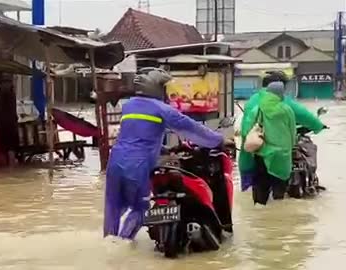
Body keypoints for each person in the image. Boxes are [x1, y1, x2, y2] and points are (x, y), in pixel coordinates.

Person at [103, 67, 232, 240]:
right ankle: (123, 244)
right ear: (155, 87)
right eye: (163, 87)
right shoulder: (162, 109)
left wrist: (163, 150)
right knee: (140, 208)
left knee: (113, 207)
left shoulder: (129, 106)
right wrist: (219, 140)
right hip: (138, 164)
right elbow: (191, 129)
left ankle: (108, 243)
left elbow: (137, 135)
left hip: (115, 160)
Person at [239, 71, 327, 204]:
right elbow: (301, 122)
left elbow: (246, 129)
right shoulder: (285, 106)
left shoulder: (253, 103)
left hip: (255, 153)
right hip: (280, 158)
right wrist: (319, 126)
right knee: (279, 196)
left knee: (259, 197)